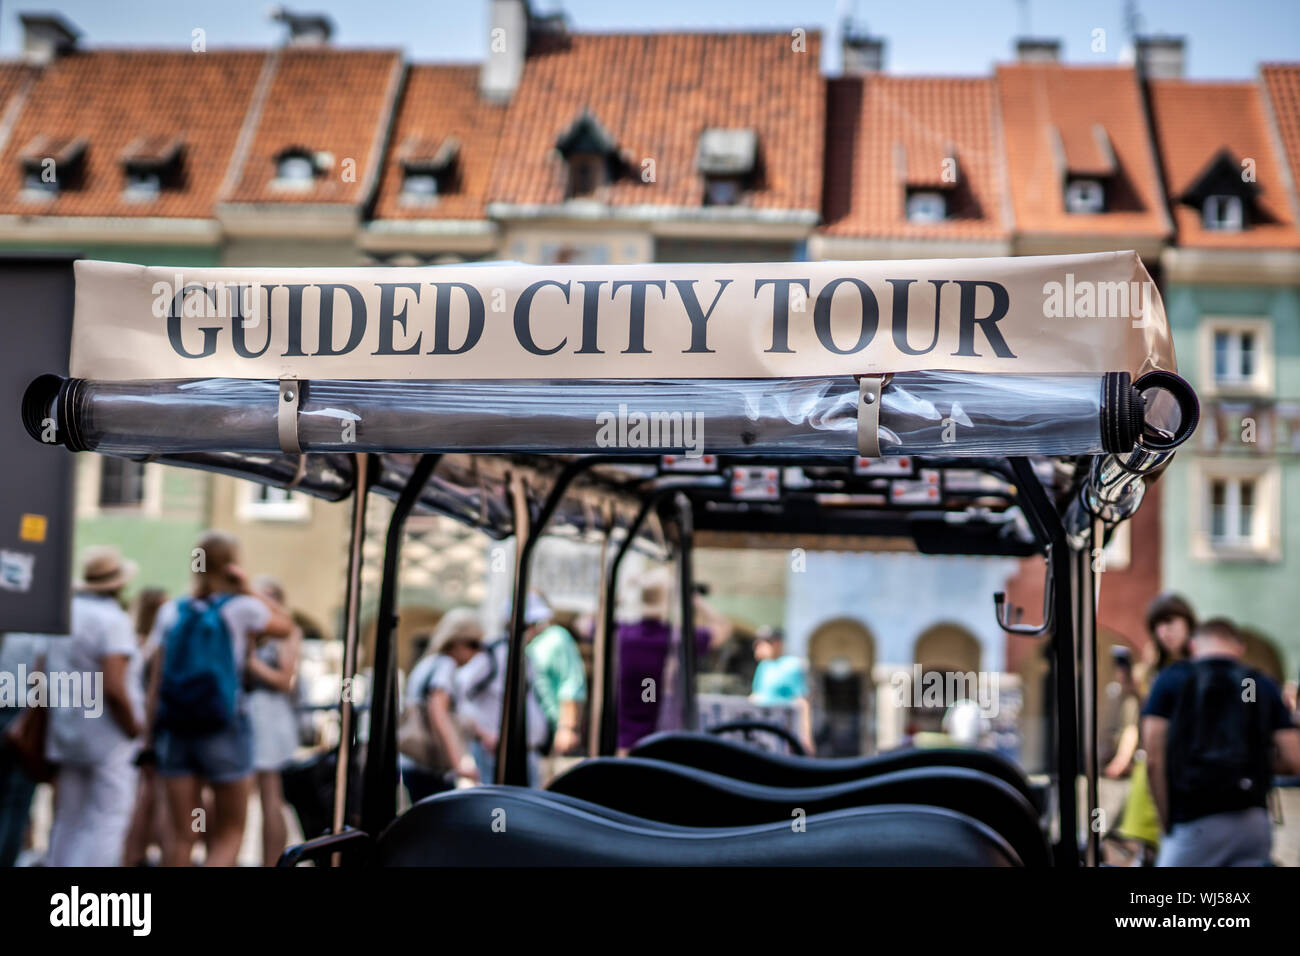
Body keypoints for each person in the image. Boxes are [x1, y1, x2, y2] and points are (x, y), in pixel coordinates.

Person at [149, 530, 293, 867]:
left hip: (176, 727)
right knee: (229, 832)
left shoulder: (171, 611)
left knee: (181, 835)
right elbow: (286, 625)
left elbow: (157, 681)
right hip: (223, 724)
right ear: (232, 564)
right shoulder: (241, 608)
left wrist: (149, 738)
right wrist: (246, 587)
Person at [1143, 618, 1300, 867]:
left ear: (1193, 646)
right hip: (1253, 821)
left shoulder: (1172, 680)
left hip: (1194, 821)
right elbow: (1293, 760)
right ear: (1239, 648)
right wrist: (1251, 765)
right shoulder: (1258, 683)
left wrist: (1166, 821)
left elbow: (1153, 758)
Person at [43, 546, 144, 866]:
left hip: (67, 727)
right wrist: (133, 727)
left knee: (68, 818)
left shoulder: (64, 614)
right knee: (108, 819)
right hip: (106, 734)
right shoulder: (112, 620)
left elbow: (39, 673)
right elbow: (114, 685)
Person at [1108, 592, 1196, 865]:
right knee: (1150, 845)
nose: (1164, 632)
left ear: (1188, 622)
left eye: (1170, 622)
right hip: (1154, 764)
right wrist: (1134, 691)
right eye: (1158, 625)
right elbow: (1150, 721)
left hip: (1188, 764)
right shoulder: (1157, 668)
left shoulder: (1201, 664)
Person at [616, 572, 727, 751]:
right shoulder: (677, 638)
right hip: (665, 739)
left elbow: (584, 624)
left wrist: (621, 594)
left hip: (626, 740)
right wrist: (694, 600)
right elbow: (723, 629)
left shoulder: (623, 634)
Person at [244, 577, 303, 866]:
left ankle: (270, 862)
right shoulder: (249, 630)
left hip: (269, 717)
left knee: (270, 796)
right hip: (244, 713)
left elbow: (285, 680)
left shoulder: (287, 633)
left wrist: (250, 662)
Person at [400, 609, 484, 801]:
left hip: (415, 761)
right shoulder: (445, 665)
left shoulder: (428, 663)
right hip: (429, 765)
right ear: (454, 641)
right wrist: (460, 764)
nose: (477, 652)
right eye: (473, 644)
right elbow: (439, 713)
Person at [123, 587, 171, 866]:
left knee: (144, 796)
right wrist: (151, 738)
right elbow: (154, 690)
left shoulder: (135, 642)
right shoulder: (155, 647)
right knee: (153, 796)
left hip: (141, 726)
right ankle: (139, 855)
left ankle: (134, 855)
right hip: (151, 726)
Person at [0, 631, 47, 866]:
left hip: (19, 712)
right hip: (20, 712)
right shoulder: (38, 628)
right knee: (16, 803)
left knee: (16, 802)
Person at [522, 593, 587, 758]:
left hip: (552, 730)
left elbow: (571, 684)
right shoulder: (526, 643)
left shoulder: (556, 638)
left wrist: (567, 728)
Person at [750, 627, 813, 753]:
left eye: (764, 643)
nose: (759, 648)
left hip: (784, 730)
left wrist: (806, 735)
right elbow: (755, 696)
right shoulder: (763, 666)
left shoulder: (792, 665)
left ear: (777, 643)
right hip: (762, 730)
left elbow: (801, 701)